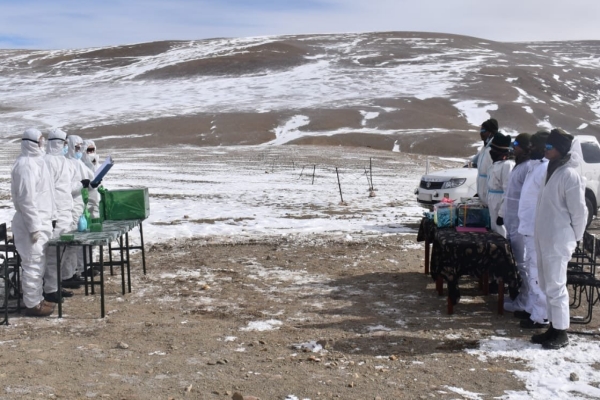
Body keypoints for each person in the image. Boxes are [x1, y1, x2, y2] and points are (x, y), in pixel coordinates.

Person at [532, 128, 587, 349]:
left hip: (558, 239)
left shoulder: (569, 175)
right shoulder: (551, 170)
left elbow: (579, 212)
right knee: (546, 284)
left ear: (560, 149)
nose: (545, 149)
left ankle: (561, 332)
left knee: (556, 285)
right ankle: (553, 327)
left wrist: (575, 237)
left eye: (549, 146)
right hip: (544, 237)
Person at [10, 128, 56, 316]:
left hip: (42, 221)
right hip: (30, 224)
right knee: (32, 263)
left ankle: (38, 298)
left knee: (39, 263)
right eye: (39, 141)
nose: (42, 144)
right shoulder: (25, 165)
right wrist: (34, 227)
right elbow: (26, 199)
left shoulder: (37, 163)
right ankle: (32, 304)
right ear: (30, 143)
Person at [513, 130, 550, 327]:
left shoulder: (544, 169)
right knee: (530, 267)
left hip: (537, 228)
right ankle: (531, 309)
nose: (530, 149)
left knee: (537, 272)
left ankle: (541, 316)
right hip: (527, 226)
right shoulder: (534, 167)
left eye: (534, 146)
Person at [43, 128, 86, 299]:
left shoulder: (62, 162)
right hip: (56, 213)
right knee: (53, 253)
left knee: (62, 251)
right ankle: (50, 289)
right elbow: (50, 190)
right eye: (63, 143)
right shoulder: (47, 161)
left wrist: (80, 185)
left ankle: (57, 284)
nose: (66, 147)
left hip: (66, 211)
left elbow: (66, 188)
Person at [500, 133, 533, 317]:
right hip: (512, 221)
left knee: (523, 264)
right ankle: (520, 297)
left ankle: (526, 300)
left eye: (517, 144)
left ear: (526, 147)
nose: (514, 147)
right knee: (516, 262)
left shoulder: (528, 167)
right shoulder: (518, 165)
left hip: (521, 223)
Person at [486, 133, 514, 237]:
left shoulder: (507, 165)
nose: (491, 153)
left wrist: (501, 214)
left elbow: (508, 191)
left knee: (502, 232)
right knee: (495, 231)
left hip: (499, 202)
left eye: (493, 150)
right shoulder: (495, 164)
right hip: (493, 201)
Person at [475, 118, 499, 206]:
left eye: (483, 130)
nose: (481, 132)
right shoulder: (484, 148)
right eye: (481, 130)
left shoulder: (493, 149)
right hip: (482, 189)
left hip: (490, 191)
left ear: (491, 132)